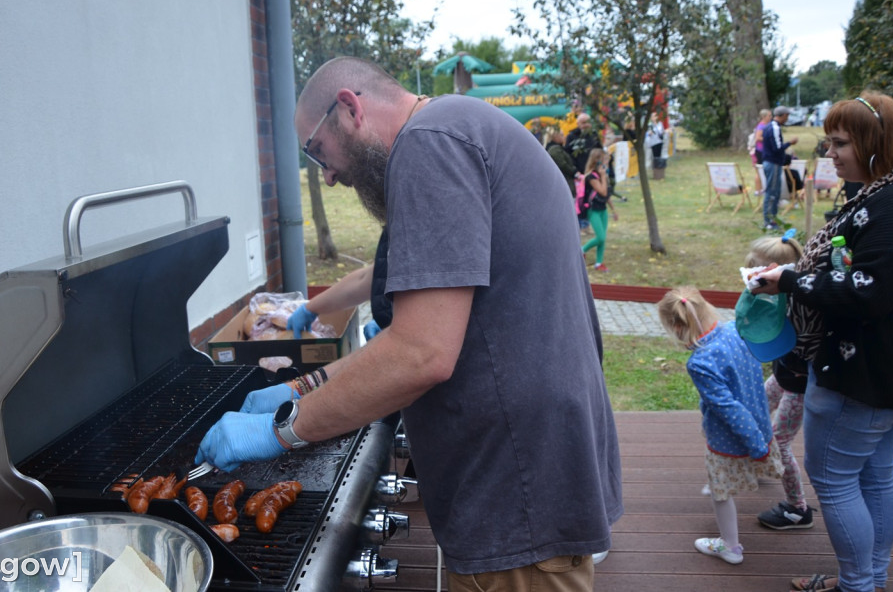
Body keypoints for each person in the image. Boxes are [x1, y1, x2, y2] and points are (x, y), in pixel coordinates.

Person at [197, 56, 623, 590]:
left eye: (318, 151)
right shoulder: (459, 127)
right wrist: (299, 386)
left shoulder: (430, 145)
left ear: (349, 108)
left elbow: (420, 352)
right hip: (527, 467)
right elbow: (419, 329)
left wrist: (280, 427)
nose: (326, 176)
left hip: (516, 484)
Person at [751, 92, 893, 592]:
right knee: (877, 476)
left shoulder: (885, 206)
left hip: (859, 376)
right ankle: (869, 580)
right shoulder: (877, 196)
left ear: (877, 142)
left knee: (833, 480)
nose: (829, 153)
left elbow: (870, 292)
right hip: (880, 375)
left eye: (840, 143)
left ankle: (858, 585)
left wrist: (789, 281)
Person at [656, 287, 782, 566]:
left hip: (731, 439)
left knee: (720, 492)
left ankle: (730, 546)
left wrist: (756, 446)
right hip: (759, 422)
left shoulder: (700, 362)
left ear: (678, 327)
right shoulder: (735, 331)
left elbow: (729, 409)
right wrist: (760, 439)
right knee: (723, 481)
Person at [742, 231, 816, 531]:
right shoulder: (780, 295)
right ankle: (759, 458)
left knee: (780, 441)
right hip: (783, 374)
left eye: (756, 271)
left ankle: (797, 508)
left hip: (799, 385)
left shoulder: (803, 303)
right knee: (756, 405)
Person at [761, 106, 799, 231]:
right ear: (782, 115)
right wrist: (790, 143)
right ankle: (769, 221)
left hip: (770, 162)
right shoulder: (775, 127)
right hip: (772, 163)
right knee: (772, 192)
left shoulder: (769, 126)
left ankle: (773, 219)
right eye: (787, 116)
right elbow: (777, 148)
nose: (787, 118)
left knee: (774, 192)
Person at [580, 148, 617, 272]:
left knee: (603, 238)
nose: (607, 163)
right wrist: (602, 176)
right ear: (597, 161)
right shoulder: (591, 177)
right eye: (605, 160)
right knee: (600, 237)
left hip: (602, 210)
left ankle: (598, 263)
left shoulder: (603, 174)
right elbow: (603, 191)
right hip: (593, 210)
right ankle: (581, 251)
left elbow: (606, 196)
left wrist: (613, 210)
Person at [543, 126, 576, 195]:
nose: (564, 137)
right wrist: (574, 171)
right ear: (555, 136)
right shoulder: (555, 150)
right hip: (565, 184)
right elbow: (563, 165)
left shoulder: (550, 148)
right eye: (561, 135)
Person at [749, 108, 772, 194]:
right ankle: (758, 190)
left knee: (764, 170)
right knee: (760, 170)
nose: (771, 117)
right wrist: (768, 139)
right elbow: (758, 138)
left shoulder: (767, 125)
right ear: (764, 116)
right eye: (769, 116)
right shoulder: (761, 126)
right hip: (760, 151)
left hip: (765, 151)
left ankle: (762, 189)